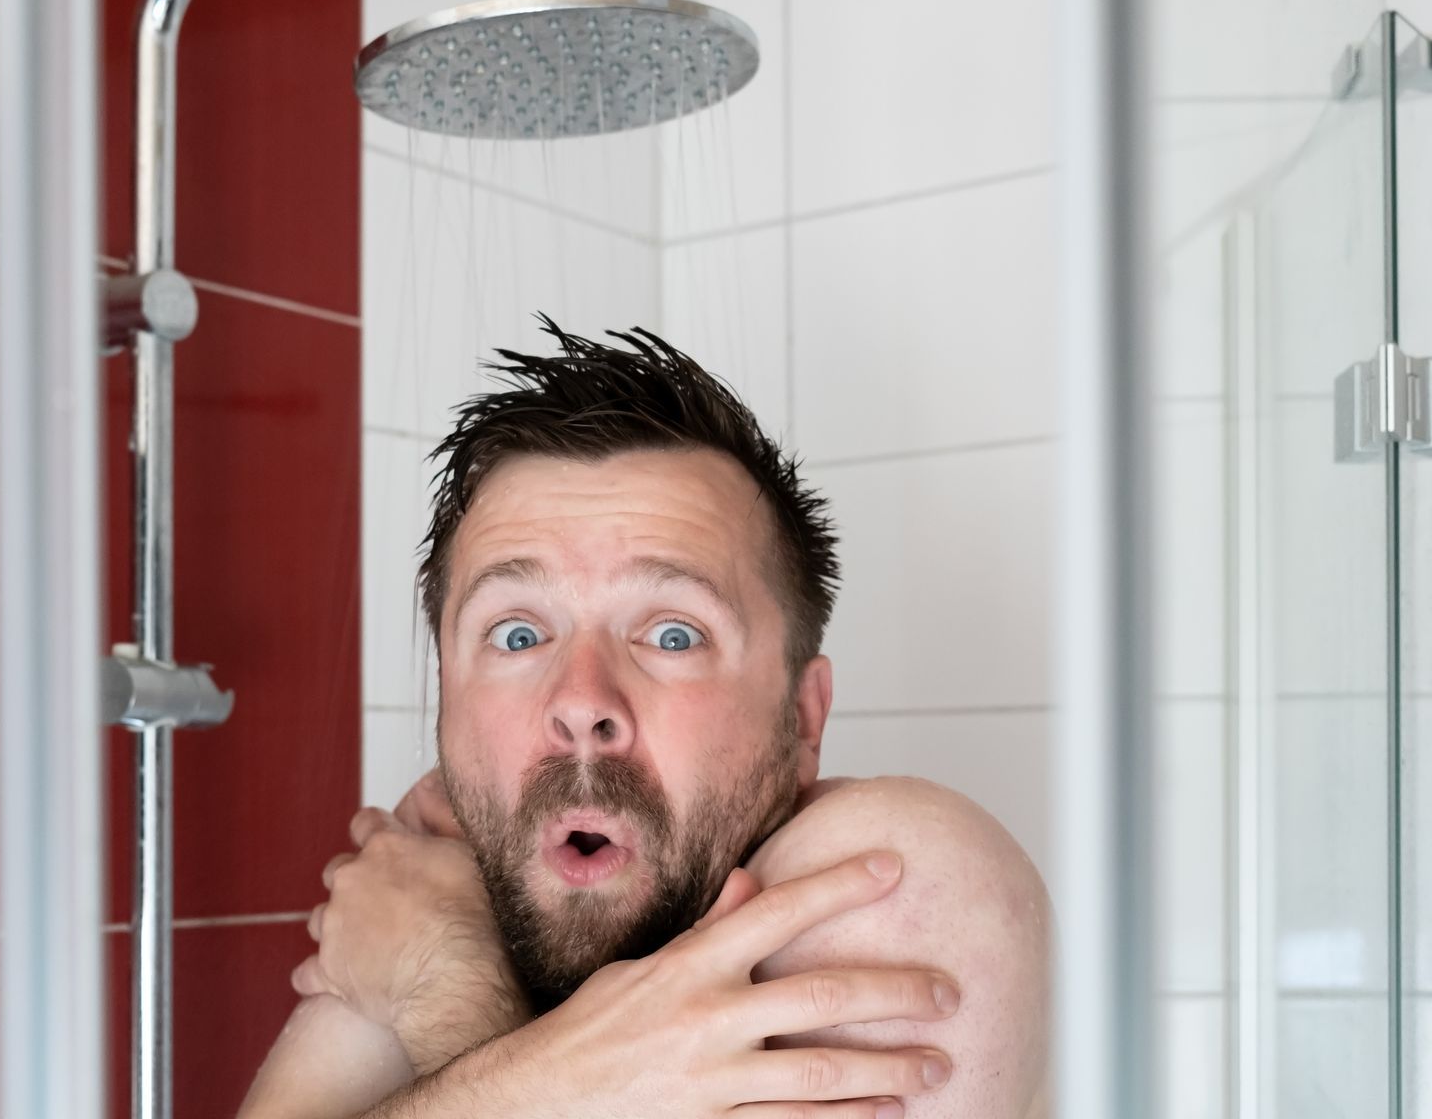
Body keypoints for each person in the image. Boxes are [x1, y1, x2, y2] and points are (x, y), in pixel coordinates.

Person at [239, 321, 1051, 1119]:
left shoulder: (898, 878)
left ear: (803, 720)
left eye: (672, 636)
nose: (581, 702)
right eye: (518, 635)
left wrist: (454, 989)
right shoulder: (445, 879)